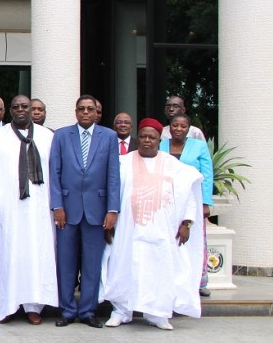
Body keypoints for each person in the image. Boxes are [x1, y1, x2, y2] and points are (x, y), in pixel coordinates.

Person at [101, 119, 205, 330]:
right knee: (123, 267)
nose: (147, 141)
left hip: (161, 231)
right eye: (144, 137)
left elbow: (190, 194)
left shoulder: (173, 166)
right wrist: (109, 222)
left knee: (159, 269)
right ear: (138, 138)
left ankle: (157, 314)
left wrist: (187, 222)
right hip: (127, 229)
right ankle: (121, 311)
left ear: (159, 140)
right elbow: (111, 193)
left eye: (152, 138)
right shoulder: (123, 162)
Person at [0, 95, 57, 324]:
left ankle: (34, 306)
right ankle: (7, 303)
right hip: (7, 209)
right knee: (8, 254)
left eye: (25, 107)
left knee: (36, 255)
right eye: (16, 107)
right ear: (9, 111)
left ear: (32, 110)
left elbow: (57, 174)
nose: (21, 110)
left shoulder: (48, 137)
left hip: (40, 209)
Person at [49, 95, 120, 329]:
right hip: (67, 211)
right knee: (66, 263)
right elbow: (55, 172)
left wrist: (112, 209)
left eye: (90, 109)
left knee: (92, 263)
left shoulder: (109, 136)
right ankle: (68, 310)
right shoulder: (61, 135)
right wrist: (57, 206)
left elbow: (113, 175)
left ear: (97, 112)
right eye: (82, 109)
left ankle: (88, 311)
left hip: (97, 211)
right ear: (76, 111)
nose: (86, 113)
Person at [161, 113, 214, 298]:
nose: (178, 129)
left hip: (194, 198)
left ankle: (199, 282)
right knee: (171, 238)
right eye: (175, 125)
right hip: (167, 201)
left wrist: (206, 202)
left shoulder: (199, 146)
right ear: (170, 126)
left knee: (196, 239)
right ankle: (171, 278)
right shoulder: (161, 145)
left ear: (188, 129)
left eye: (183, 126)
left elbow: (207, 174)